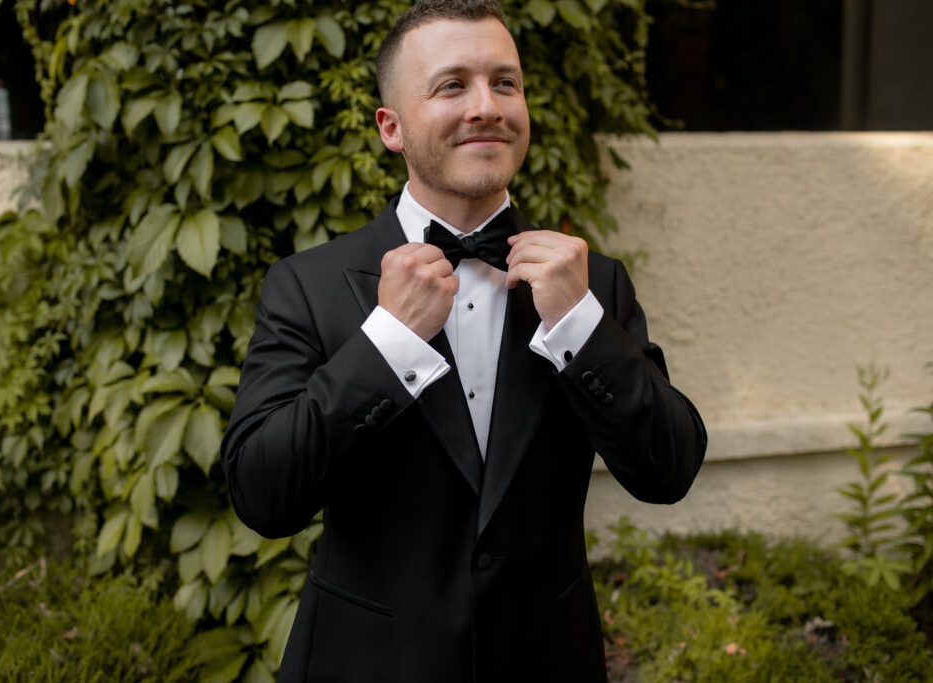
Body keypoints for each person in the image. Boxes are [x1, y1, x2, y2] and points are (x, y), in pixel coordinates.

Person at [221, 1, 707, 680]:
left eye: (505, 82)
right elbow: (263, 494)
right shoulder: (309, 285)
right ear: (391, 127)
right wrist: (387, 343)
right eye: (453, 85)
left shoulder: (593, 283)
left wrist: (579, 328)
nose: (487, 105)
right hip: (365, 663)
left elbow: (670, 468)